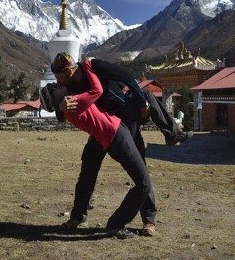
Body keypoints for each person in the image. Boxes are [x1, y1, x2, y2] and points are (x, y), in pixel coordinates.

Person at [48, 52, 192, 236]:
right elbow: (61, 109)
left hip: (126, 116)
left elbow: (125, 76)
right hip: (103, 126)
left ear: (68, 71)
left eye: (59, 76)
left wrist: (141, 102)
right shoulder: (71, 86)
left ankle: (148, 219)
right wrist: (61, 109)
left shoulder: (94, 67)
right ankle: (77, 216)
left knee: (139, 167)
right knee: (88, 169)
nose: (58, 81)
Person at [40, 58, 154, 239]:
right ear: (58, 98)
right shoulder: (74, 101)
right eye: (55, 87)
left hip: (117, 129)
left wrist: (60, 108)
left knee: (93, 172)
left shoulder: (70, 99)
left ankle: (82, 217)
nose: (56, 83)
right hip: (115, 136)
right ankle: (116, 224)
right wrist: (87, 65)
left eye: (57, 80)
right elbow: (97, 90)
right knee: (143, 182)